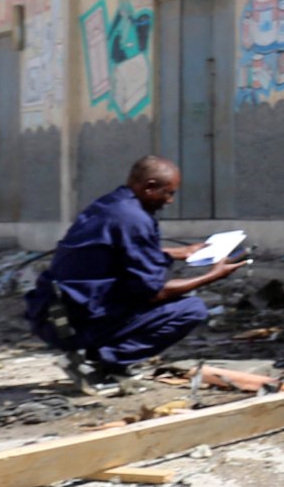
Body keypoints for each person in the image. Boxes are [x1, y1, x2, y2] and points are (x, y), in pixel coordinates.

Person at [24, 156, 245, 395]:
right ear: (149, 187)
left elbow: (116, 254)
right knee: (191, 309)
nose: (169, 201)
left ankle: (95, 357)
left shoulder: (110, 205)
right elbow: (153, 292)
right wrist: (213, 275)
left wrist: (180, 252)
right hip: (76, 325)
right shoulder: (134, 219)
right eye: (167, 193)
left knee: (149, 295)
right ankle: (96, 363)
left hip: (54, 316)